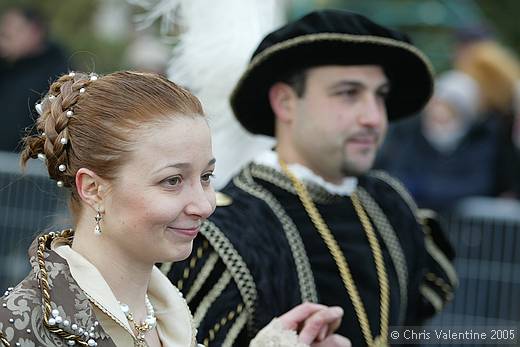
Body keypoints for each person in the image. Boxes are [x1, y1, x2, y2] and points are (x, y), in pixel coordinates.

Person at [163, 9, 457, 347]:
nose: (374, 117)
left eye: (380, 95)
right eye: (349, 93)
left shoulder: (392, 203)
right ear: (286, 102)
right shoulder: (227, 230)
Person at [0, 71, 350, 346]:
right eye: (172, 181)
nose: (205, 205)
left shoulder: (169, 313)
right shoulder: (20, 329)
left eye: (207, 176)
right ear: (92, 189)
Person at [0, 6, 69, 152]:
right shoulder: (7, 69)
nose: (6, 36)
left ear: (35, 31)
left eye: (15, 30)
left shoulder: (58, 75)